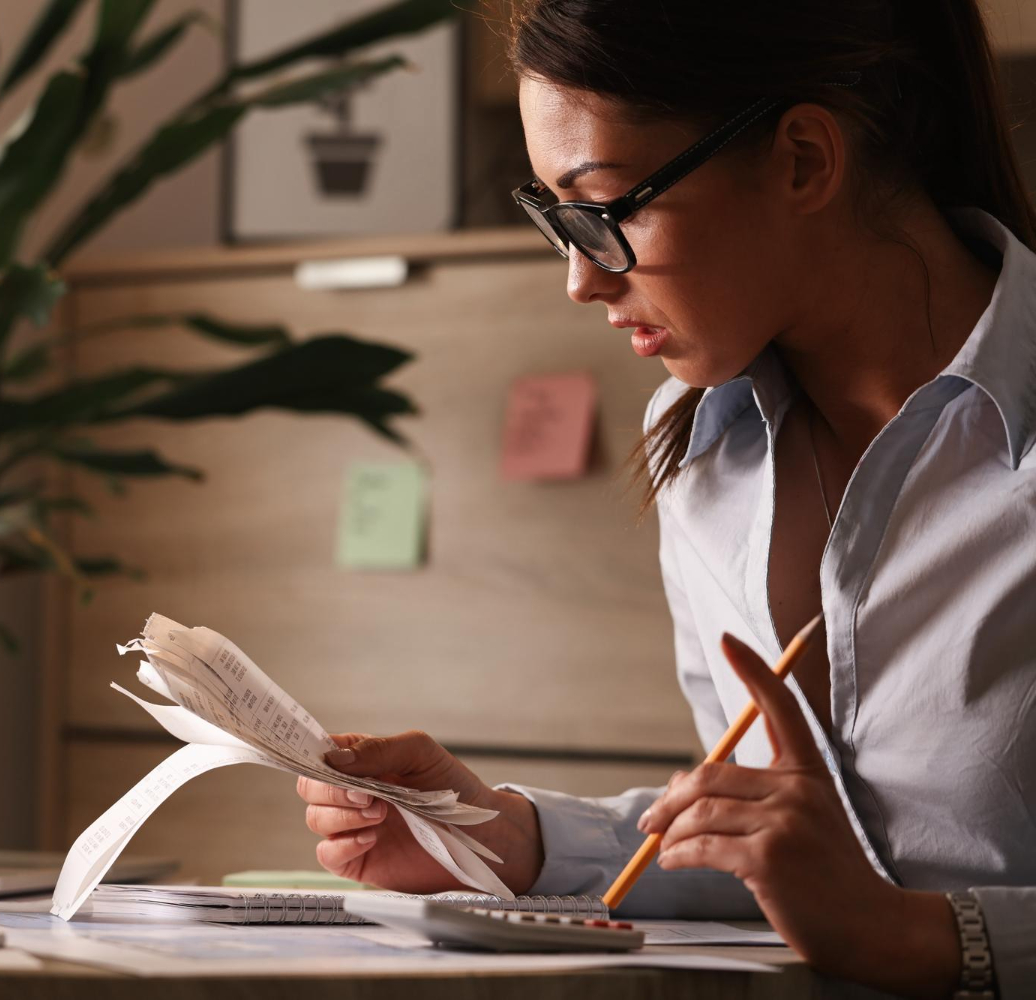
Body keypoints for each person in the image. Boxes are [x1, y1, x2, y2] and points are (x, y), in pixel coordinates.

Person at [296, 2, 1036, 997]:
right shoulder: (696, 447)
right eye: (554, 216)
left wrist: (921, 938)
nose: (579, 280)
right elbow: (782, 851)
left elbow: (878, 909)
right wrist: (507, 838)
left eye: (604, 211)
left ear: (805, 161)